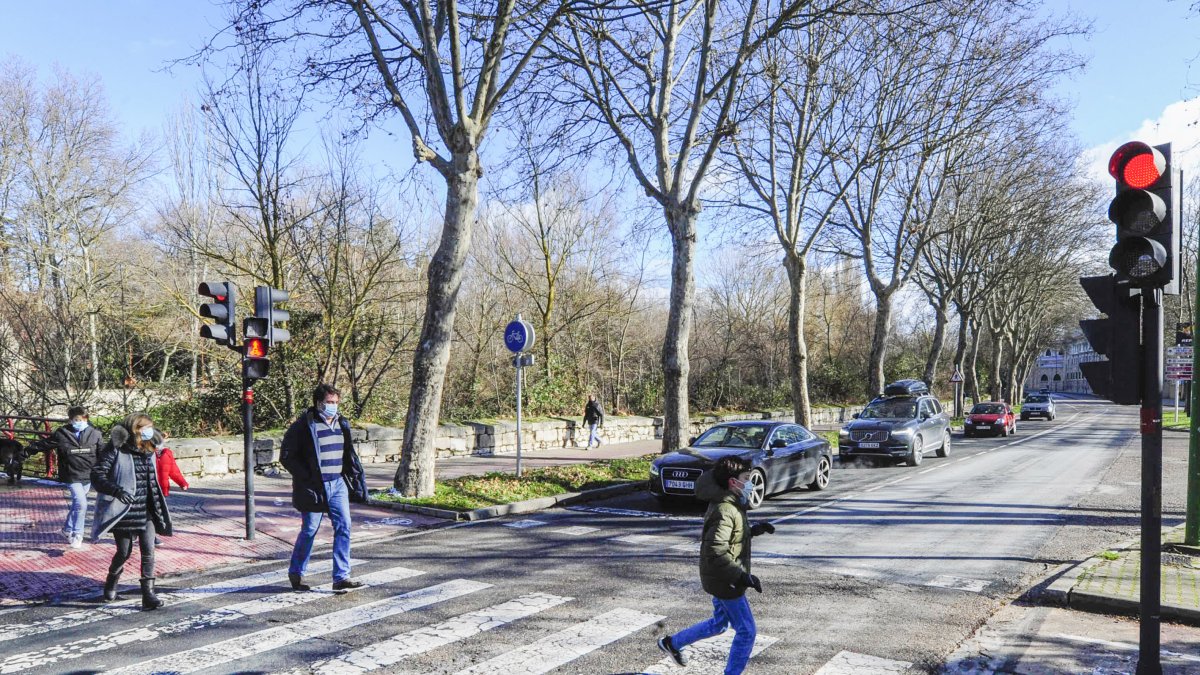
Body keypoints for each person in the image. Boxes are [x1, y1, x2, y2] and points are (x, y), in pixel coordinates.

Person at [657, 455, 775, 674]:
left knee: (719, 624)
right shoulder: (725, 509)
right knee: (747, 631)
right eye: (747, 478)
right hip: (725, 580)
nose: (750, 483)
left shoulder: (731, 502)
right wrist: (741, 576)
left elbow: (730, 537)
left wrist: (754, 530)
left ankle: (672, 643)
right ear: (733, 481)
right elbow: (716, 550)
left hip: (719, 577)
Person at [280, 383, 368, 592]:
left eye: (336, 403)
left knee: (344, 527)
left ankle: (341, 577)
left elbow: (348, 454)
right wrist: (307, 477)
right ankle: (297, 573)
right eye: (329, 402)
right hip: (314, 487)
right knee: (310, 530)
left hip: (338, 484)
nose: (333, 406)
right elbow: (287, 456)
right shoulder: (303, 425)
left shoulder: (342, 424)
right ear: (318, 403)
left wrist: (354, 476)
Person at [90, 413, 173, 610]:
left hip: (147, 508)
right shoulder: (116, 449)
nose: (149, 431)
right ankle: (111, 580)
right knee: (124, 552)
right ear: (135, 430)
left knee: (148, 551)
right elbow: (97, 474)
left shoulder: (151, 447)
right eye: (145, 428)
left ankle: (148, 594)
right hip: (124, 510)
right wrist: (116, 490)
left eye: (151, 427)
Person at [27, 406, 104, 548]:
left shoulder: (95, 434)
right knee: (81, 504)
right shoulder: (62, 433)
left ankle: (66, 530)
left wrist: (105, 471)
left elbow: (103, 454)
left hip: (88, 474)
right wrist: (26, 452)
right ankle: (77, 534)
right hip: (71, 474)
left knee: (77, 504)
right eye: (76, 420)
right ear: (71, 420)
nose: (79, 422)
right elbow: (45, 444)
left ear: (87, 419)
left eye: (82, 419)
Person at [151, 430, 188, 546]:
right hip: (148, 488)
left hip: (161, 489)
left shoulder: (167, 454)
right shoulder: (145, 453)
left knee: (156, 513)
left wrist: (182, 483)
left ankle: (151, 536)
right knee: (150, 513)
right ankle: (148, 536)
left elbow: (173, 470)